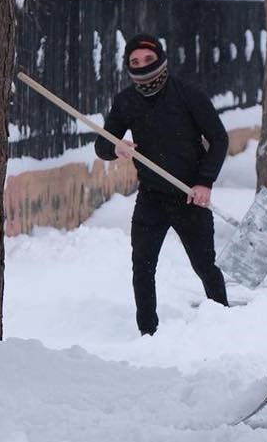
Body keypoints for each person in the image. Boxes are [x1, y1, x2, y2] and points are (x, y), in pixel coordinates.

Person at [95, 33, 229, 336]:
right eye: (134, 62)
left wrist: (204, 183)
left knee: (205, 266)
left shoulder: (187, 94)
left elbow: (219, 139)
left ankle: (224, 324)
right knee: (142, 268)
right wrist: (116, 148)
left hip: (189, 197)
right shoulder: (126, 101)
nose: (142, 66)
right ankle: (148, 333)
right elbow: (102, 145)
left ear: (161, 60)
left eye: (148, 60)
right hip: (151, 197)